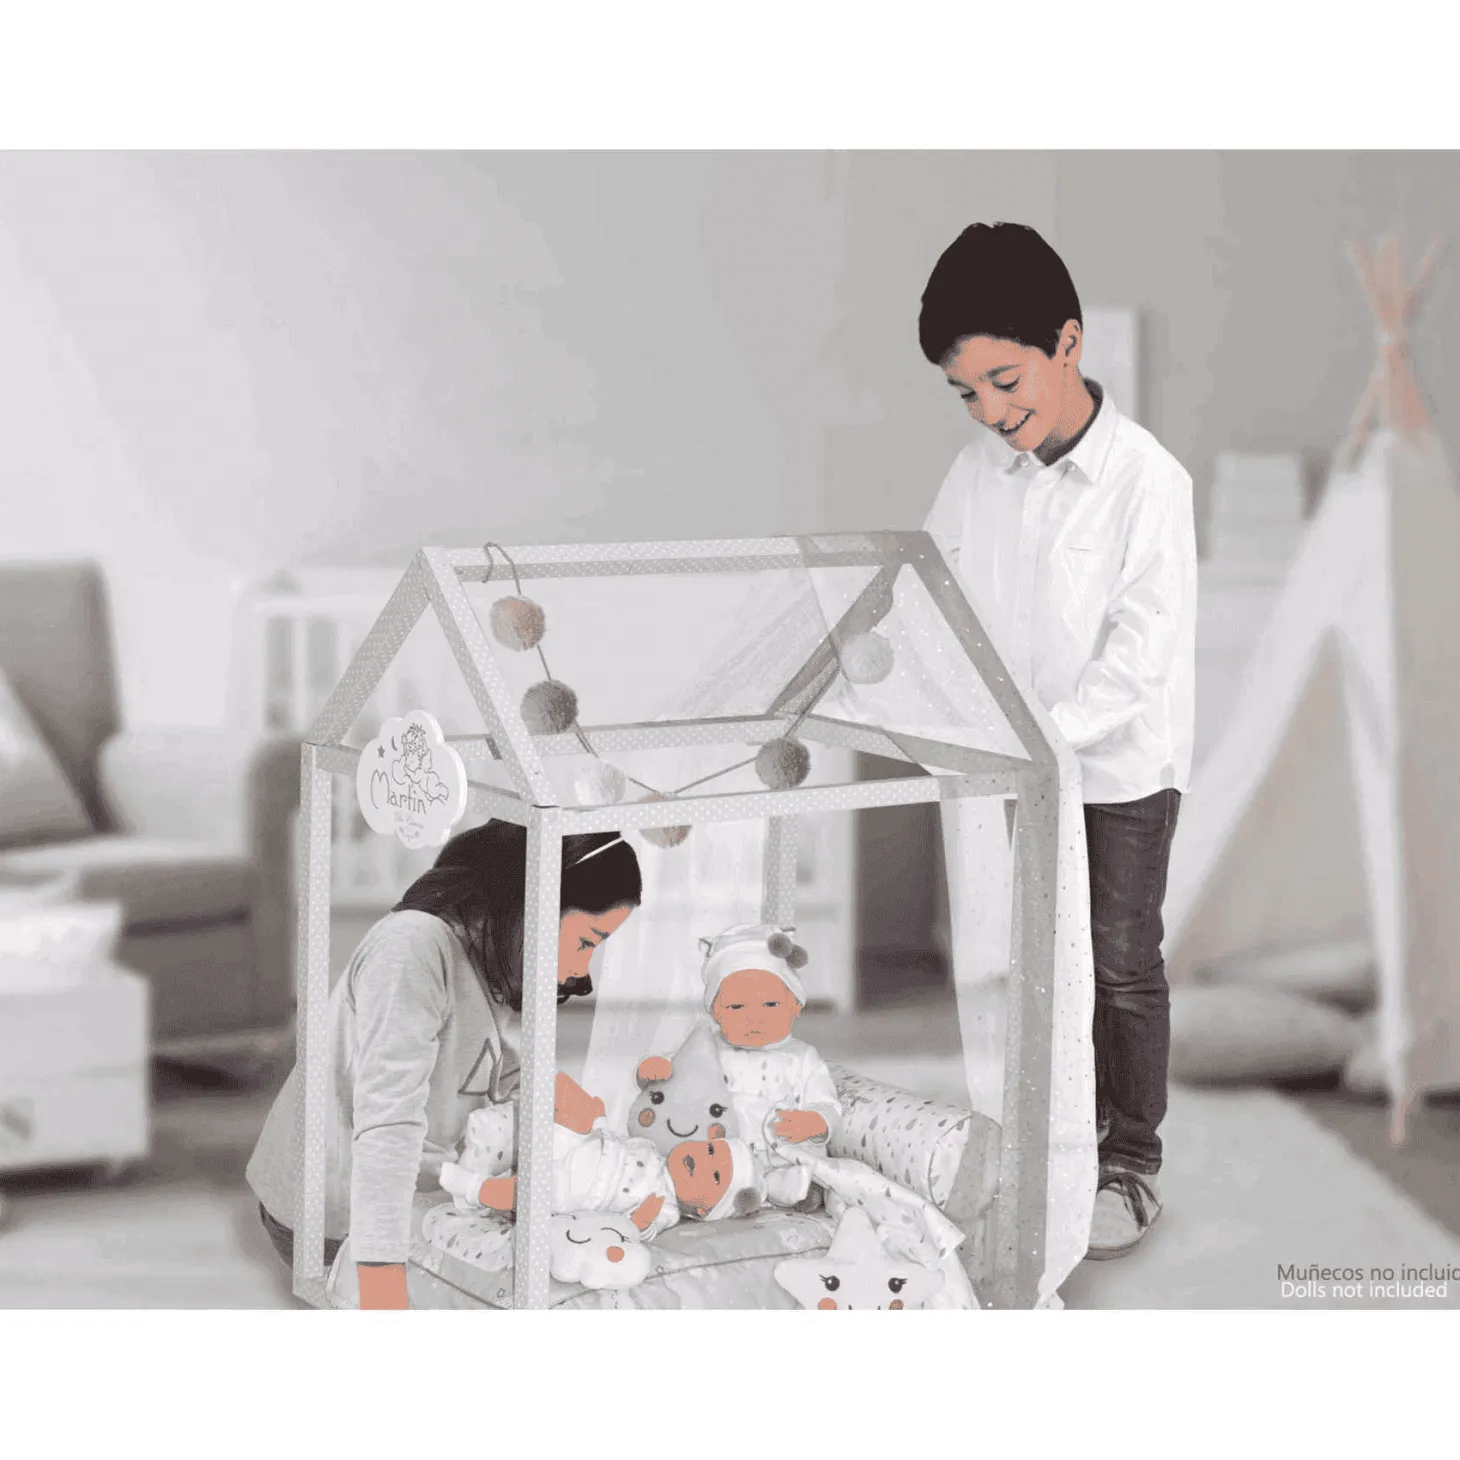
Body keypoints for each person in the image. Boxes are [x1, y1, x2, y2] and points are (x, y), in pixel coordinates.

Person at [917, 222, 1197, 1260]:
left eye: (1004, 381)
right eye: (966, 394)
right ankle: (1048, 1147)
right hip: (1012, 771)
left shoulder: (1147, 482)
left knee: (1115, 962)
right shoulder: (974, 475)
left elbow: (1136, 659)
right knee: (1028, 962)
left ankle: (1127, 1163)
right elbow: (930, 591)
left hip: (1116, 771)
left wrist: (1044, 741)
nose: (991, 413)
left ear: (1066, 344)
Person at [245, 820, 643, 1308]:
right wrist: (382, 1280)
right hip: (337, 1215)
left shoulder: (499, 966)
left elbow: (496, 1073)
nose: (582, 970)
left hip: (421, 1189)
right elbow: (388, 1123)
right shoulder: (412, 947)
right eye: (586, 942)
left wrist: (561, 1109)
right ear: (531, 908)